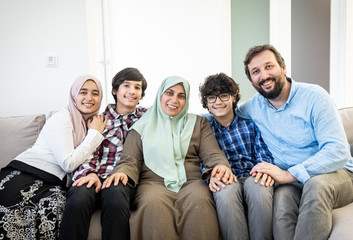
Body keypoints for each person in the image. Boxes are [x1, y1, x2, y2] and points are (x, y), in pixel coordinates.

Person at [237, 44, 353, 240]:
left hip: (336, 174)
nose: (264, 75)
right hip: (292, 183)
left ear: (283, 68)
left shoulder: (315, 97)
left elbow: (337, 151)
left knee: (316, 185)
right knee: (282, 199)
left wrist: (289, 174)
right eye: (256, 71)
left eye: (269, 66)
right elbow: (222, 114)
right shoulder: (254, 106)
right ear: (252, 81)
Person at [102, 76, 236, 240]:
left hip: (191, 181)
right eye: (170, 93)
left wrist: (220, 166)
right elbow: (130, 160)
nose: (175, 100)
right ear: (160, 95)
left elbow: (212, 153)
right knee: (152, 203)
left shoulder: (198, 123)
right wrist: (123, 172)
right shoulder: (141, 126)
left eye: (181, 96)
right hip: (153, 183)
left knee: (200, 200)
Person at [0, 75, 107, 240]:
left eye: (95, 93)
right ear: (74, 96)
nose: (89, 98)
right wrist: (94, 134)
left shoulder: (92, 123)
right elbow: (69, 163)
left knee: (54, 206)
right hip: (27, 175)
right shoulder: (63, 118)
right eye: (83, 92)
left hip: (53, 184)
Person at [59, 67, 148, 240]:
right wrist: (90, 173)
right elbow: (89, 151)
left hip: (123, 179)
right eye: (126, 86)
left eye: (137, 88)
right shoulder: (98, 120)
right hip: (96, 175)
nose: (132, 91)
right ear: (115, 90)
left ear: (142, 95)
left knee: (114, 195)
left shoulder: (148, 118)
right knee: (79, 197)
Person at [199, 72, 274, 240]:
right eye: (211, 98)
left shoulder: (249, 123)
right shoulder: (204, 128)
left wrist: (264, 169)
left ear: (233, 97)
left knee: (259, 188)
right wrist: (209, 174)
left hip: (252, 173)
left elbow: (262, 151)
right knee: (225, 191)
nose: (218, 102)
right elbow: (202, 156)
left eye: (224, 96)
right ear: (206, 102)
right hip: (226, 177)